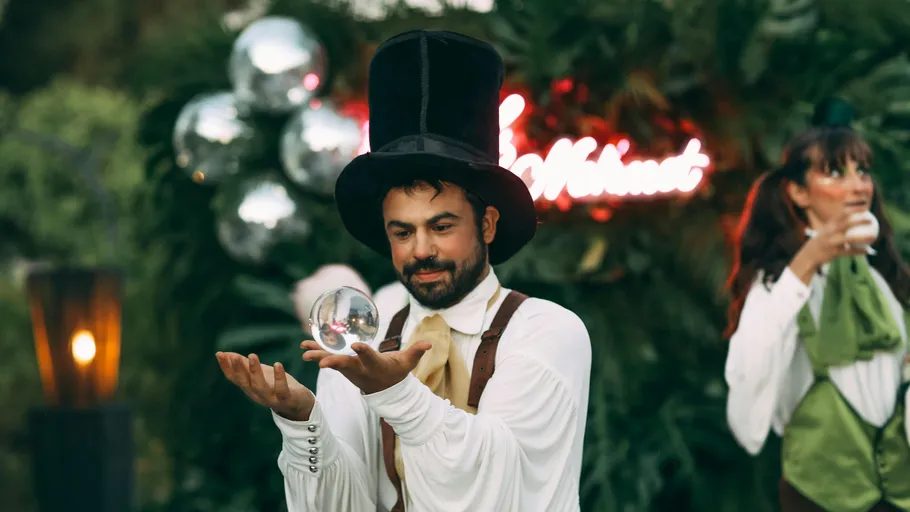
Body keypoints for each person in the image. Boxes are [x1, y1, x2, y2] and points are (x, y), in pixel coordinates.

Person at [215, 29, 592, 512]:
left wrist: (394, 392)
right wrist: (304, 419)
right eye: (402, 231)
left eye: (442, 225)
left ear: (489, 223)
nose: (421, 250)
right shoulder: (362, 332)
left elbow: (496, 490)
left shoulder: (547, 331)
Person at [724, 98, 910, 511]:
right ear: (797, 191)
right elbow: (750, 369)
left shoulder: (884, 280)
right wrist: (808, 261)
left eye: (862, 171)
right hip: (819, 498)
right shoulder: (779, 286)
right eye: (834, 172)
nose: (858, 185)